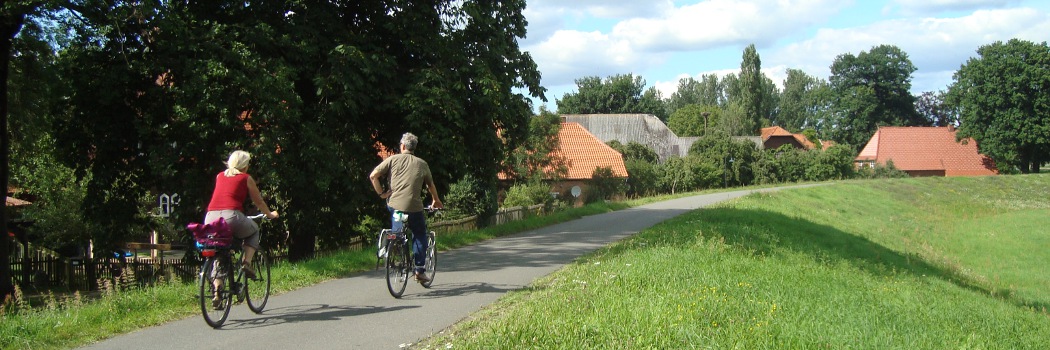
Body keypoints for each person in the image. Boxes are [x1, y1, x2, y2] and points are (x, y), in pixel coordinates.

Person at [205, 150, 279, 308]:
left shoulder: (220, 176)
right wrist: (270, 214)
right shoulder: (246, 178)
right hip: (231, 217)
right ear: (245, 165)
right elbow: (258, 201)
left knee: (220, 252)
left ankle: (217, 291)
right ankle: (247, 262)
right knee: (253, 230)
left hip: (210, 218)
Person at [369, 132, 443, 283]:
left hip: (395, 205)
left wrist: (382, 194)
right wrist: (436, 200)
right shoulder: (422, 164)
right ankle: (419, 270)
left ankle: (393, 244)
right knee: (420, 234)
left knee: (397, 228)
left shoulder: (392, 159)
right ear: (414, 148)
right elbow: (430, 185)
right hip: (414, 207)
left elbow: (373, 176)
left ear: (402, 146)